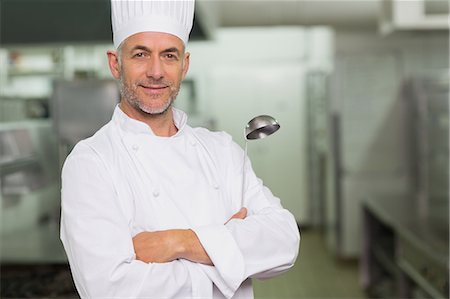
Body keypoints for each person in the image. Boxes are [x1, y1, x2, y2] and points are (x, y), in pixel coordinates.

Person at [60, 0, 300, 298]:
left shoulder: (221, 150)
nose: (156, 71)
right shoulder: (91, 162)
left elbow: (284, 241)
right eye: (140, 54)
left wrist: (177, 243)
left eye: (169, 55)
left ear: (184, 65)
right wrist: (227, 257)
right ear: (115, 63)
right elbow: (110, 289)